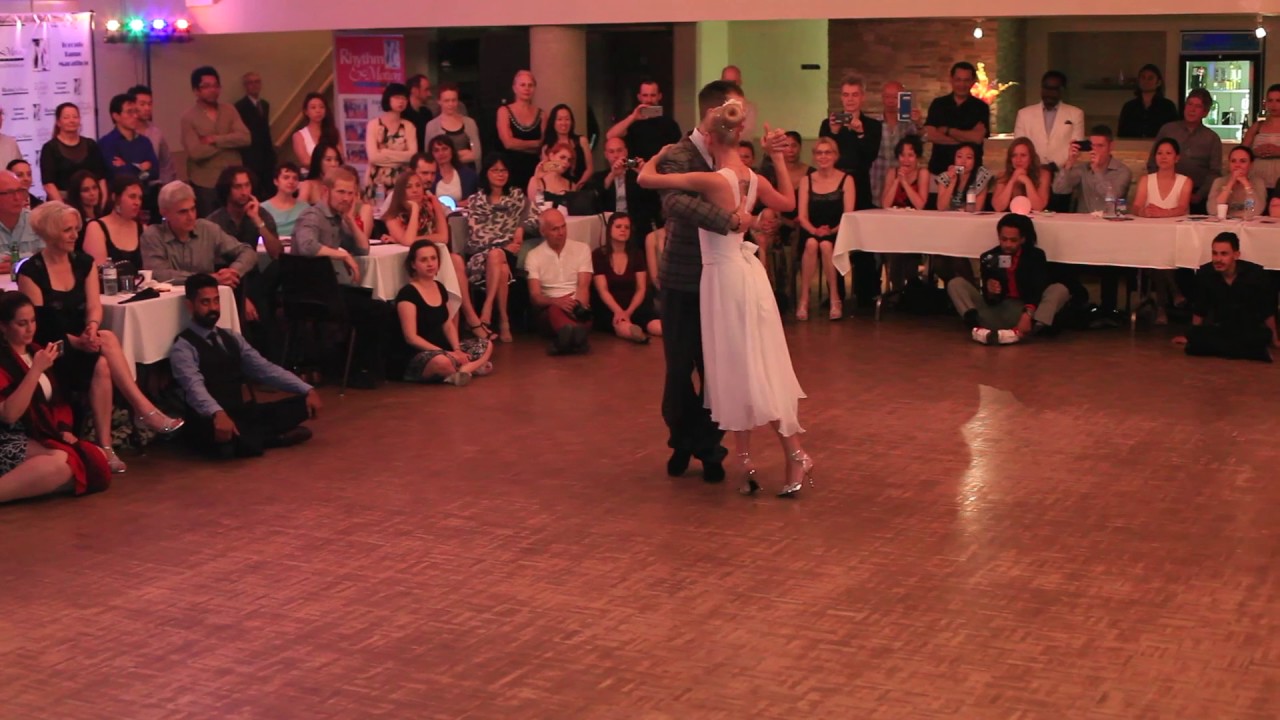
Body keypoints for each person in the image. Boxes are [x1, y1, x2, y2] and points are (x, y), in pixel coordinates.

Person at [639, 98, 814, 498]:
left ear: (713, 136)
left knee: (743, 370)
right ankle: (748, 463)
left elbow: (648, 182)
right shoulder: (752, 176)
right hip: (744, 276)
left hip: (724, 281)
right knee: (738, 371)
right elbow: (787, 204)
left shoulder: (716, 178)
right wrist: (778, 158)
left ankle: (793, 451)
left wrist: (655, 157)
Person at [646, 80, 758, 484]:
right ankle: (684, 438)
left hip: (723, 280)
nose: (740, 122)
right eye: (734, 112)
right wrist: (730, 221)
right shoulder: (678, 154)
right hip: (682, 277)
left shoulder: (735, 157)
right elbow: (675, 203)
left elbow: (754, 199)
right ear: (713, 111)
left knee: (716, 372)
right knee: (678, 370)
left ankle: (708, 447)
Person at [19, 202, 185, 471]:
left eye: (76, 229)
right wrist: (77, 341)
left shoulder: (83, 263)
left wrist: (92, 328)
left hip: (85, 341)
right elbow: (40, 327)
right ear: (50, 234)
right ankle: (141, 414)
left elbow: (94, 305)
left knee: (104, 349)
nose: (75, 235)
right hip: (51, 349)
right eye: (67, 231)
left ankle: (108, 445)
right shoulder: (31, 271)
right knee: (105, 350)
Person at [170, 273, 319, 458]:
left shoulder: (231, 337)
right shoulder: (183, 347)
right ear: (190, 306)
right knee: (223, 443)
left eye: (216, 301)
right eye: (205, 303)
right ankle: (273, 440)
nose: (213, 308)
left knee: (302, 405)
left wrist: (306, 389)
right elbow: (194, 388)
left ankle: (255, 439)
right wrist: (217, 413)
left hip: (239, 413)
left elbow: (265, 369)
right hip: (208, 418)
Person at [0, 292, 111, 501]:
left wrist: (63, 427)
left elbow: (57, 400)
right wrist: (34, 371)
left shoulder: (36, 351)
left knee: (94, 458)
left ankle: (27, 484)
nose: (30, 328)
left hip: (41, 432)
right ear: (4, 326)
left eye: (32, 321)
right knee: (61, 460)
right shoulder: (6, 361)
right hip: (8, 436)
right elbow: (10, 415)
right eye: (21, 323)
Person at [945, 213, 1070, 345]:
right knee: (956, 284)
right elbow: (989, 298)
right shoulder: (990, 256)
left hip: (1024, 312)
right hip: (995, 310)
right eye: (1003, 239)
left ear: (1022, 239)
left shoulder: (1035, 256)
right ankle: (977, 329)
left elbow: (1037, 288)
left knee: (1059, 290)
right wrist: (990, 290)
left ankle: (1023, 332)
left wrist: (1027, 314)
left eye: (1013, 240)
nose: (1007, 244)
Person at [1053, 125, 1136, 318]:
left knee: (1110, 261)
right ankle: (1078, 301)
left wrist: (1098, 171)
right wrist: (1069, 164)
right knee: (1059, 259)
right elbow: (1059, 189)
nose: (1095, 150)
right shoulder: (1082, 169)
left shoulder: (1122, 171)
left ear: (1110, 146)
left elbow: (1113, 196)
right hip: (1082, 232)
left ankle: (1109, 310)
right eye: (1092, 146)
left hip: (1111, 233)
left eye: (1100, 146)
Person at [819, 75, 880, 308]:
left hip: (860, 185)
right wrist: (834, 133)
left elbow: (870, 156)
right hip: (833, 188)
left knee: (861, 240)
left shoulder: (872, 126)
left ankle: (866, 294)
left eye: (855, 95)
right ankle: (836, 294)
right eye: (846, 95)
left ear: (862, 97)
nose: (850, 100)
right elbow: (824, 154)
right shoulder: (829, 124)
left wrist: (861, 132)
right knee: (835, 239)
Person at [395, 241, 494, 386]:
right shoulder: (408, 294)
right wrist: (446, 353)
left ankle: (462, 371)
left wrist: (457, 349)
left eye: (433, 258)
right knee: (442, 362)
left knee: (487, 344)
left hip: (444, 350)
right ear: (413, 264)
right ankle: (467, 369)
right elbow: (411, 337)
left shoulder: (440, 287)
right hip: (419, 353)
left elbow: (447, 324)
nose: (430, 264)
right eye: (424, 260)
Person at [1174, 232, 1277, 362]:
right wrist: (1191, 336)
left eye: (1224, 254)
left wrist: (1274, 339)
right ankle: (1243, 351)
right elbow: (1200, 309)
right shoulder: (1205, 273)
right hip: (1221, 328)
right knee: (1195, 341)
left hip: (1248, 328)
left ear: (1236, 255)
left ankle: (1237, 349)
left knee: (1260, 337)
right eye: (1215, 253)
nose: (1218, 259)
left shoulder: (1255, 274)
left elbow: (1266, 309)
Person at [465, 155, 534, 344]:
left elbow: (536, 219)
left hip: (509, 252)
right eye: (495, 170)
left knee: (498, 257)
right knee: (499, 262)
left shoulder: (517, 197)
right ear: (486, 173)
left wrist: (520, 228)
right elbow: (476, 236)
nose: (500, 174)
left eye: (503, 170)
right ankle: (503, 320)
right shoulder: (476, 201)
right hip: (482, 255)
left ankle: (487, 310)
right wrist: (503, 244)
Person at [141, 180, 259, 286]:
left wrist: (233, 271)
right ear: (164, 213)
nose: (191, 216)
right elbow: (159, 274)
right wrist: (208, 279)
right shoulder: (153, 235)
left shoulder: (207, 228)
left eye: (193, 209)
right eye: (183, 212)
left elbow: (248, 251)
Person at [1134, 137, 1192, 325]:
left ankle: (1162, 307)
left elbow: (1182, 207)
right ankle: (1174, 294)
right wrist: (1143, 211)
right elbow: (1136, 206)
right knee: (1157, 254)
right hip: (1150, 237)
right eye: (1160, 153)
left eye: (1168, 153)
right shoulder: (1146, 180)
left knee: (1161, 256)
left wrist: (1161, 213)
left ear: (1177, 158)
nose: (1163, 157)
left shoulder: (1185, 181)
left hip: (1178, 238)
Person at [796, 137, 854, 321]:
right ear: (814, 157)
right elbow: (802, 216)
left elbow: (848, 216)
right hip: (810, 231)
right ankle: (804, 299)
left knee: (826, 246)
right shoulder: (806, 180)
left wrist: (830, 231)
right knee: (813, 244)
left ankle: (835, 298)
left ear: (835, 155)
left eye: (827, 152)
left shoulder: (846, 180)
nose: (823, 156)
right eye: (819, 153)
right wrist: (815, 231)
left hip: (837, 232)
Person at [181, 66, 252, 217]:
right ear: (196, 91)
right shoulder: (189, 117)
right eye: (206, 86)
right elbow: (196, 152)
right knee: (210, 228)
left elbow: (245, 138)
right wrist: (230, 140)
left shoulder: (229, 110)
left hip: (234, 183)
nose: (212, 90)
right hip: (206, 184)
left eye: (215, 85)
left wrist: (214, 139)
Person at [526, 208, 593, 355]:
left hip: (577, 305)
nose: (561, 232)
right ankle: (576, 340)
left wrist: (577, 307)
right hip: (550, 308)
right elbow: (535, 296)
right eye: (555, 229)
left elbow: (583, 286)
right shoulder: (533, 255)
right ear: (543, 232)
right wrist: (556, 301)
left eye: (563, 227)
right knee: (555, 310)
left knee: (584, 314)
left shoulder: (582, 249)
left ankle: (566, 341)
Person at [1147, 88, 1221, 214]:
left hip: (1197, 196)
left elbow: (1214, 172)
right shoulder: (1168, 130)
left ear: (1205, 112)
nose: (1191, 109)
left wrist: (1199, 195)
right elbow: (1153, 162)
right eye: (1189, 104)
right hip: (1165, 190)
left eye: (1197, 106)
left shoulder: (1211, 138)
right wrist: (1158, 187)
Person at [592, 213, 660, 342]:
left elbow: (641, 288)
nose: (623, 230)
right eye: (618, 226)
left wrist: (629, 311)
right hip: (610, 306)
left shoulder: (637, 254)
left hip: (634, 304)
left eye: (627, 227)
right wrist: (619, 312)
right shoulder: (599, 255)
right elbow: (602, 290)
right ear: (609, 229)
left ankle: (677, 335)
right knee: (621, 324)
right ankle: (636, 335)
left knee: (654, 324)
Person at [291, 166, 366, 281]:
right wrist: (343, 255)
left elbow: (362, 250)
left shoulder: (337, 217)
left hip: (327, 283)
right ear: (326, 191)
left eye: (350, 193)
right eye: (341, 192)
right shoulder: (311, 215)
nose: (346, 198)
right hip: (305, 286)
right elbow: (307, 247)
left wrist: (351, 220)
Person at [923, 62, 991, 176]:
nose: (962, 84)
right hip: (939, 169)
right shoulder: (938, 104)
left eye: (966, 80)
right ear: (951, 79)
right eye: (958, 79)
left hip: (970, 173)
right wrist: (966, 138)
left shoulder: (981, 107)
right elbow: (930, 134)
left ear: (973, 81)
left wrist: (948, 131)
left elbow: (977, 138)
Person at [880, 135, 929, 293]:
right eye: (902, 155)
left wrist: (906, 184)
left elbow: (920, 204)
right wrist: (896, 181)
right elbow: (885, 204)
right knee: (894, 251)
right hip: (893, 226)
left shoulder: (923, 173)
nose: (906, 160)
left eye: (910, 155)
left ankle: (911, 289)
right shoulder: (892, 172)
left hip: (916, 227)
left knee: (909, 253)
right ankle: (896, 290)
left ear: (917, 157)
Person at [1012, 71, 1084, 172]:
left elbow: (1076, 147)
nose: (1049, 93)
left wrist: (1058, 168)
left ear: (1062, 90)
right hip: (1032, 173)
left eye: (1054, 89)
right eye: (1046, 88)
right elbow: (1019, 147)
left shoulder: (1076, 114)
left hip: (1064, 173)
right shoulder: (1024, 114)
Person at [39, 103, 107, 203]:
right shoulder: (50, 148)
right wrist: (64, 208)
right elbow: (48, 184)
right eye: (66, 117)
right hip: (61, 204)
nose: (72, 121)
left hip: (90, 203)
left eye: (75, 117)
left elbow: (101, 178)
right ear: (58, 122)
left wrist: (101, 203)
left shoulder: (91, 145)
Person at [365, 83, 417, 203]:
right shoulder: (373, 125)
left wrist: (384, 152)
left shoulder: (409, 126)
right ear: (388, 99)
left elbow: (412, 156)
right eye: (397, 97)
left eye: (404, 98)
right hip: (376, 181)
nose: (401, 101)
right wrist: (401, 156)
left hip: (401, 181)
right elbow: (373, 157)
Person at [870, 80, 921, 206]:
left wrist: (918, 122)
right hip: (877, 179)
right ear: (882, 98)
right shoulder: (873, 124)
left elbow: (920, 144)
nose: (891, 100)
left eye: (895, 97)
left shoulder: (908, 123)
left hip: (902, 181)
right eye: (887, 96)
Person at [606, 79, 682, 161]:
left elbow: (677, 151)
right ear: (639, 97)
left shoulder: (669, 123)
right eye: (645, 95)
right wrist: (633, 117)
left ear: (659, 96)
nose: (649, 100)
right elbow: (610, 136)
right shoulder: (630, 118)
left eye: (653, 95)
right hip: (634, 168)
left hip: (659, 169)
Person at [81, 176, 145, 268]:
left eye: (140, 198)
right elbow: (99, 271)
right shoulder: (96, 228)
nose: (137, 202)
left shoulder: (143, 229)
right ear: (115, 197)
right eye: (132, 196)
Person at [497, 70, 545, 191]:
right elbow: (508, 143)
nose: (527, 89)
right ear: (514, 88)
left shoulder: (542, 114)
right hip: (511, 168)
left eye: (530, 85)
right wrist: (535, 143)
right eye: (522, 85)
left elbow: (544, 144)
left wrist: (519, 143)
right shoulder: (504, 111)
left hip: (534, 169)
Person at [97, 92, 158, 183]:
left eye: (136, 111)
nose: (135, 116)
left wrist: (127, 165)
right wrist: (140, 168)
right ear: (116, 116)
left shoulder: (144, 141)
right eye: (130, 112)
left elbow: (155, 172)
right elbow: (117, 173)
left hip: (145, 193)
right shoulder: (106, 143)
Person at [233, 72, 276, 200]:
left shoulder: (264, 104)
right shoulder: (239, 106)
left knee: (270, 190)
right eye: (251, 82)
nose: (254, 85)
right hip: (251, 157)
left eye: (257, 82)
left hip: (267, 156)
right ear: (245, 86)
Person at [424, 82, 481, 170]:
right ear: (439, 101)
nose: (451, 104)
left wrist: (447, 157)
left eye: (453, 100)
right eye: (446, 101)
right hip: (442, 175)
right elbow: (430, 156)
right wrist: (462, 153)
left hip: (467, 173)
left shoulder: (470, 123)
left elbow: (476, 154)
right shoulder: (431, 126)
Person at [1117, 64, 1180, 139]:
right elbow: (1121, 134)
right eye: (1143, 77)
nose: (1146, 81)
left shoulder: (1168, 106)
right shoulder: (1129, 107)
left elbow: (1174, 132)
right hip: (1132, 148)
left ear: (1158, 82)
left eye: (1150, 78)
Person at [991, 137, 1051, 213]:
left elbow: (1038, 207)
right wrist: (1012, 180)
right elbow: (998, 207)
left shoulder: (1043, 174)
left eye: (1023, 155)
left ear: (1031, 158)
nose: (1018, 160)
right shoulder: (1003, 176)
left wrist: (1027, 181)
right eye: (1014, 155)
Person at [1207, 146, 1268, 219]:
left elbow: (1254, 211)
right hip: (1224, 224)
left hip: (1247, 225)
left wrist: (1246, 185)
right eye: (1233, 161)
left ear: (1251, 165)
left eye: (1243, 161)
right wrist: (1230, 183)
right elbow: (1213, 211)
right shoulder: (1219, 182)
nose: (1237, 165)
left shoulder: (1258, 182)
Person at [540, 104, 593, 187]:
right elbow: (546, 172)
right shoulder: (547, 147)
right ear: (553, 122)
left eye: (567, 119)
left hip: (581, 187)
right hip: (558, 188)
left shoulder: (582, 140)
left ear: (571, 122)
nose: (564, 123)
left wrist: (578, 186)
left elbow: (590, 169)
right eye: (559, 119)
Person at [291, 93, 341, 174]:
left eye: (321, 107)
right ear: (306, 111)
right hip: (310, 175)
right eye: (313, 107)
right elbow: (305, 161)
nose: (318, 110)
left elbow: (340, 156)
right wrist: (325, 168)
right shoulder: (299, 135)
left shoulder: (333, 132)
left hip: (333, 176)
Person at [1243, 84, 1280, 192]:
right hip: (1257, 180)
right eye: (1270, 100)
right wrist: (1254, 152)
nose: (1274, 105)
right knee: (1253, 207)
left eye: (1278, 100)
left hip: (1279, 183)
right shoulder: (1257, 126)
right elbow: (1241, 152)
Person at [427, 134, 477, 206]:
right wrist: (456, 204)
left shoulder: (468, 175)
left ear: (452, 151)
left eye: (445, 149)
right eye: (436, 150)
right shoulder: (428, 176)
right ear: (432, 154)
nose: (441, 153)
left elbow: (474, 200)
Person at [0, 170, 38, 266]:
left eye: (20, 191)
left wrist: (18, 262)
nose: (17, 198)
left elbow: (49, 257)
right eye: (9, 192)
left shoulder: (37, 221)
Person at [262, 162, 308, 237]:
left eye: (295, 178)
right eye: (286, 177)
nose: (291, 182)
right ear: (276, 181)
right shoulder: (263, 208)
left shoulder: (305, 208)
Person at [528, 141, 575, 211]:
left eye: (569, 160)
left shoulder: (571, 185)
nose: (566, 162)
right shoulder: (536, 180)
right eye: (562, 157)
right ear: (551, 156)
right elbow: (537, 207)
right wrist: (537, 180)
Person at [299, 141, 343, 205]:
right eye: (328, 160)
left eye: (336, 160)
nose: (333, 164)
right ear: (318, 161)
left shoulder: (342, 185)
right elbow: (299, 212)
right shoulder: (308, 185)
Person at [403, 74, 435, 152]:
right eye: (426, 90)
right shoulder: (403, 114)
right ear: (415, 90)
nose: (429, 94)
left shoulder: (427, 113)